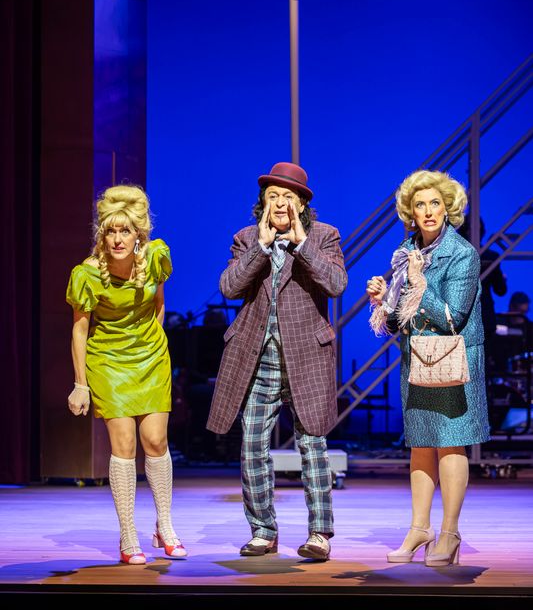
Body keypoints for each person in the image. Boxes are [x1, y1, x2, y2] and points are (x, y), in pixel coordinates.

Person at [207, 162, 348, 561]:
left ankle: (319, 533)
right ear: (263, 203)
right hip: (257, 356)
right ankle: (263, 530)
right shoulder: (246, 237)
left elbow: (336, 284)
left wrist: (301, 245)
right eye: (273, 196)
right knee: (253, 444)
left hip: (307, 355)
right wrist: (260, 247)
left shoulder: (324, 236)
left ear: (302, 204)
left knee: (312, 444)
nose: (280, 203)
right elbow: (229, 287)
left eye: (288, 196)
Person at [367, 170, 489, 567]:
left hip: (453, 361)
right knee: (420, 444)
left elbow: (453, 317)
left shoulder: (462, 254)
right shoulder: (407, 253)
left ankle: (449, 533)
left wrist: (419, 284)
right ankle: (419, 528)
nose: (428, 211)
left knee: (451, 443)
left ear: (448, 208)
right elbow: (398, 322)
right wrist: (383, 302)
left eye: (435, 203)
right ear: (411, 213)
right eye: (420, 205)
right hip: (418, 360)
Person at [66, 185, 187, 564]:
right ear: (102, 235)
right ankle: (128, 534)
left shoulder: (155, 258)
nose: (117, 239)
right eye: (110, 231)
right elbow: (80, 331)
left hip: (150, 357)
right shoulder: (87, 274)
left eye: (125, 231)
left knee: (156, 440)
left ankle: (165, 525)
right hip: (108, 361)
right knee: (124, 445)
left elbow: (159, 305)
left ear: (139, 234)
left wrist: (153, 348)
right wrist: (80, 384)